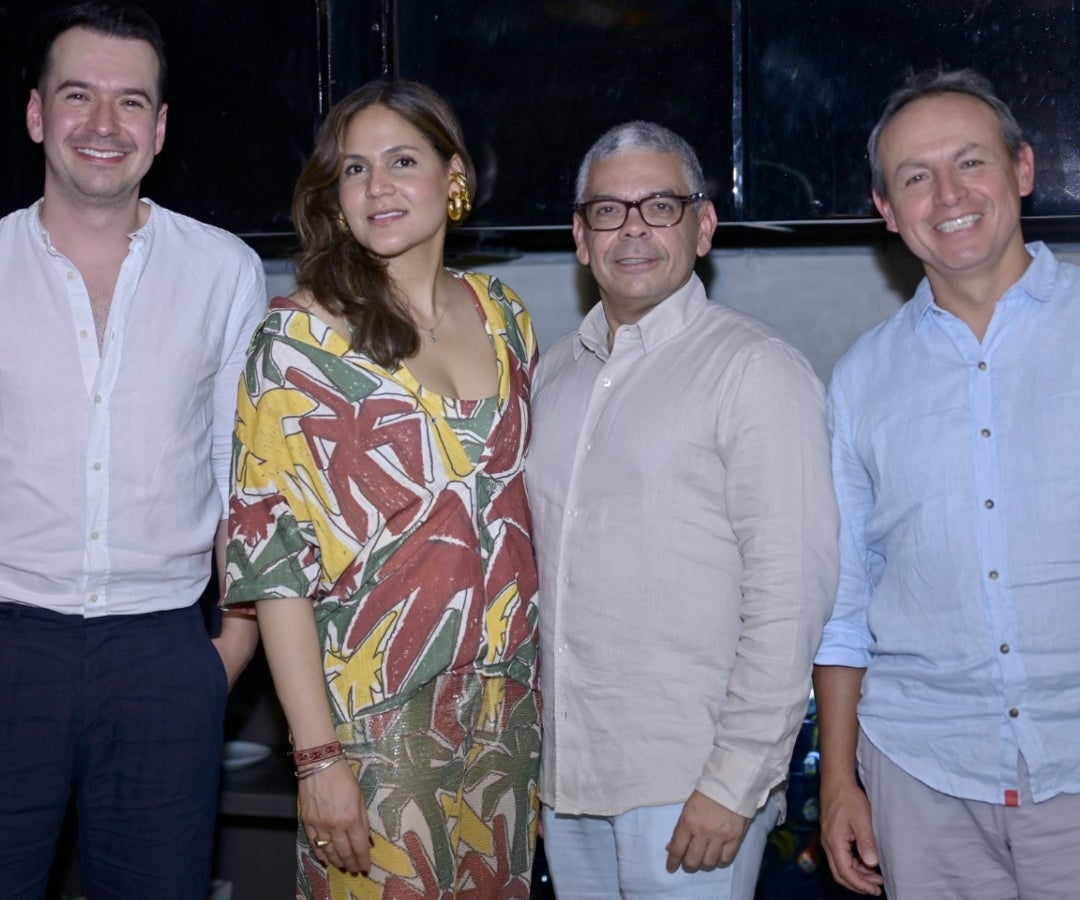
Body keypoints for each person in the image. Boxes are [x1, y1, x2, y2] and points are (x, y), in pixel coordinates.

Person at [224, 79, 541, 900]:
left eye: (402, 161)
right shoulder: (296, 343)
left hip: (508, 715)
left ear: (453, 176)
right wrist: (316, 757)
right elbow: (275, 569)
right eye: (355, 169)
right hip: (375, 730)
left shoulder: (506, 316)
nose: (377, 187)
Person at [525, 121, 838, 899]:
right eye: (609, 210)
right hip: (568, 780)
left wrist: (734, 782)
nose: (633, 229)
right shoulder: (551, 375)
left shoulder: (755, 370)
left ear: (703, 227)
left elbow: (792, 593)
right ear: (580, 236)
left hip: (689, 783)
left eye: (660, 206)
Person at [0, 2, 267, 897]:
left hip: (164, 657)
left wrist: (226, 653)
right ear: (37, 114)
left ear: (159, 128)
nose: (104, 124)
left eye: (131, 102)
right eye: (78, 95)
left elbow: (242, 474)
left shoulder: (225, 270)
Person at [814, 68, 1080, 900]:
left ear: (1022, 170)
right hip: (922, 780)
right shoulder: (860, 380)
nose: (949, 196)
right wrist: (837, 781)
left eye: (970, 162)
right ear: (887, 210)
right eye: (915, 178)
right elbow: (844, 605)